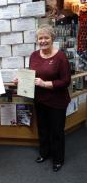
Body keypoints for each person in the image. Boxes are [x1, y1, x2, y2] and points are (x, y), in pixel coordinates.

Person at [29, 24, 71, 172]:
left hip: (57, 101)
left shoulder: (60, 57)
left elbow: (66, 81)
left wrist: (45, 83)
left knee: (57, 131)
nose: (43, 41)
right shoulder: (34, 55)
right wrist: (22, 80)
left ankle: (58, 159)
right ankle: (44, 153)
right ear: (37, 40)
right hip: (39, 100)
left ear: (52, 38)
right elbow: (31, 75)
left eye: (46, 37)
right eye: (40, 38)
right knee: (43, 129)